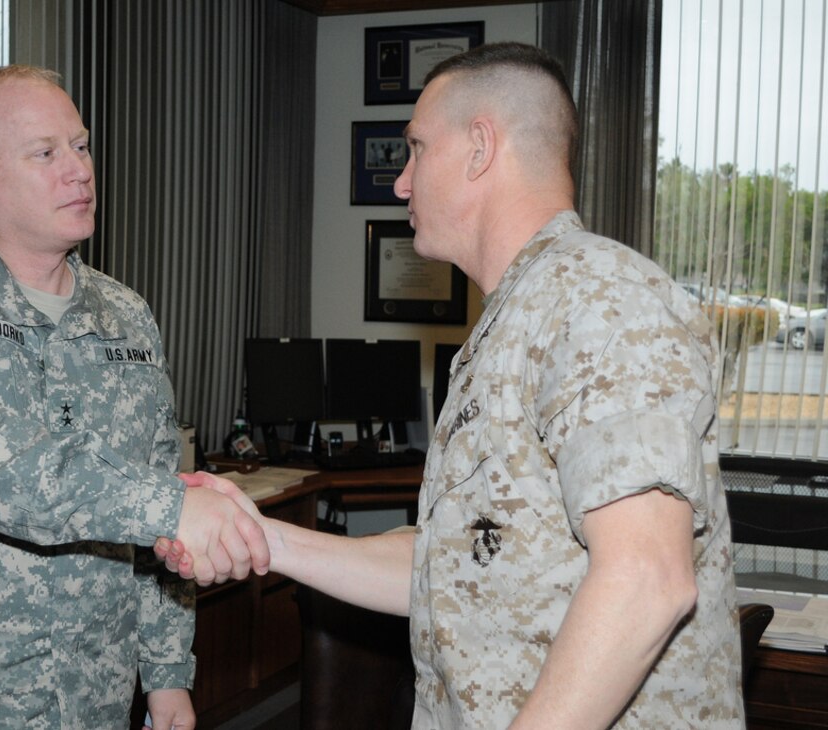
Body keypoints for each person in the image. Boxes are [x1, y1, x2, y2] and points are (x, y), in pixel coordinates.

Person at [160, 42, 744, 728]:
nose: (401, 182)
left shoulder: (597, 296)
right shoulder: (512, 323)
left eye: (415, 149)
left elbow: (646, 580)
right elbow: (454, 568)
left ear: (479, 147)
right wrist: (263, 538)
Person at [0, 65, 269, 729]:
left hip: (89, 700)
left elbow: (155, 493)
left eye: (81, 146)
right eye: (45, 152)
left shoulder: (126, 314)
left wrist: (168, 675)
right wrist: (171, 507)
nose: (79, 170)